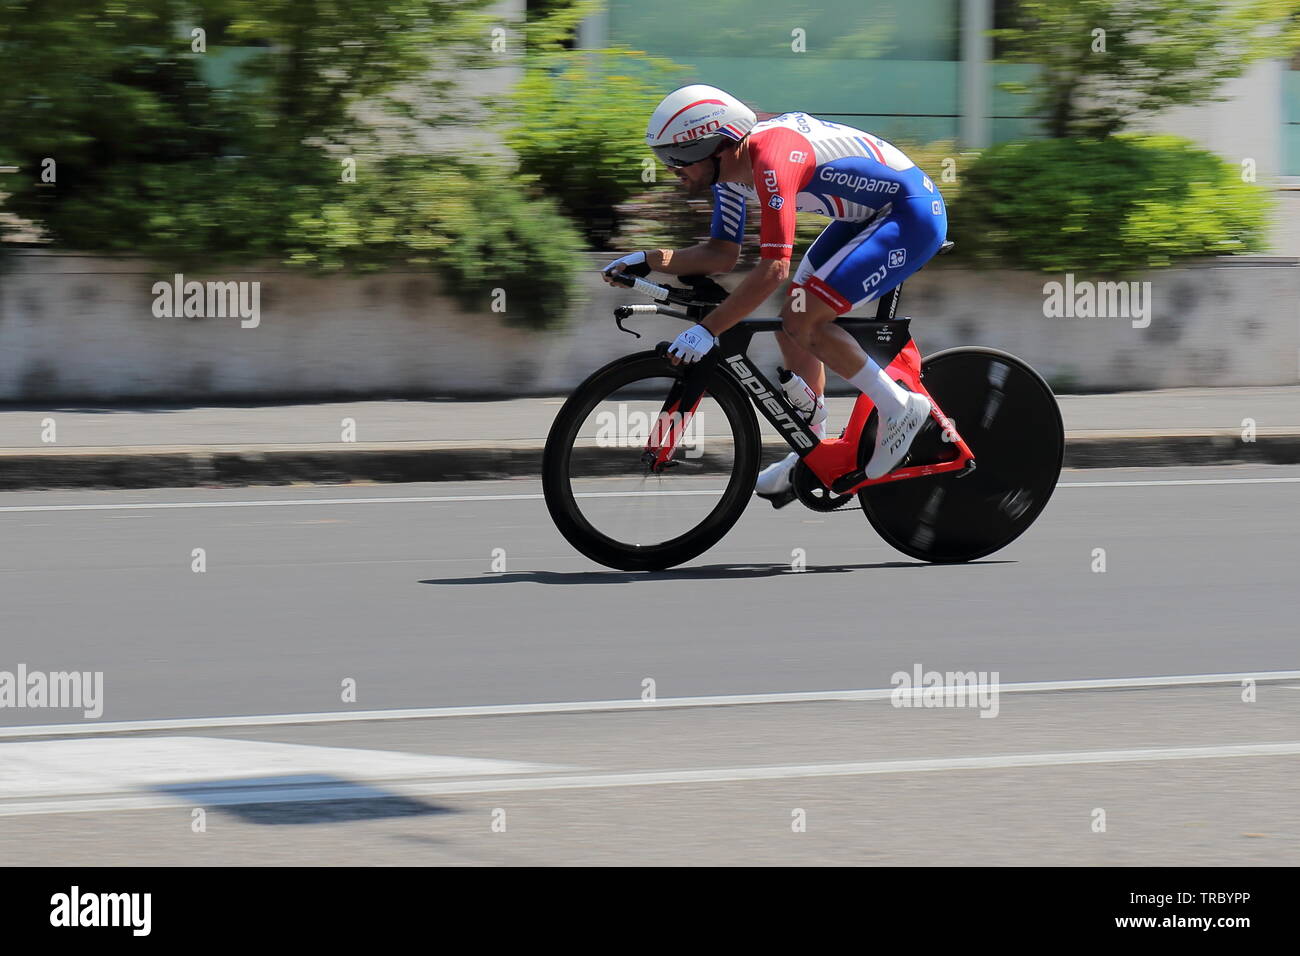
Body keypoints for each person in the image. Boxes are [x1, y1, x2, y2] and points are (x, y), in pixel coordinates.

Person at [602, 84, 947, 499]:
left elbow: (774, 268)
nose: (675, 170)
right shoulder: (730, 174)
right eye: (666, 159)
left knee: (803, 318)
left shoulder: (773, 157)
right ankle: (813, 449)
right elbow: (722, 254)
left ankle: (900, 408)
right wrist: (649, 259)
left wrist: (708, 330)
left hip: (910, 215)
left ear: (718, 146)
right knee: (792, 320)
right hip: (866, 218)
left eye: (680, 158)